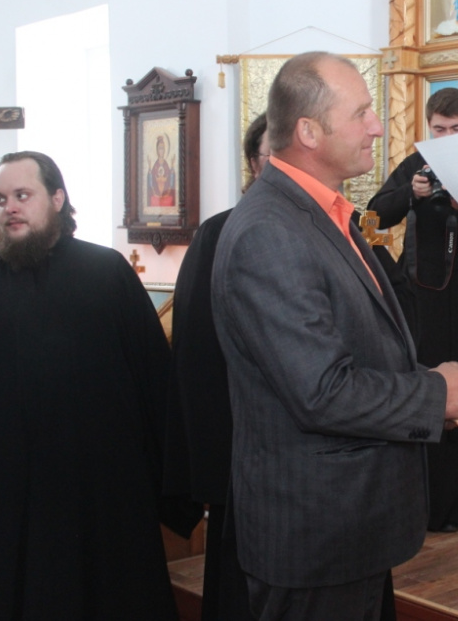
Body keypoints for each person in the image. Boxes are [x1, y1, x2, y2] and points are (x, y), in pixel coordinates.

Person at [211, 52, 458, 620]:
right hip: (316, 534)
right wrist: (436, 395)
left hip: (350, 528)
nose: (377, 126)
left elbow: (364, 347)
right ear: (309, 132)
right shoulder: (271, 232)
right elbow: (322, 390)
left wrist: (429, 382)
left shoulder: (323, 213)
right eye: (361, 113)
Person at [0, 151, 184, 620]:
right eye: (1, 199)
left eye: (22, 195)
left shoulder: (107, 273)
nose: (9, 207)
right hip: (12, 501)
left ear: (57, 198)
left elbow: (156, 387)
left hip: (105, 496)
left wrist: (174, 490)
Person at [368, 87, 458, 533]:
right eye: (439, 130)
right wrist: (411, 195)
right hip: (416, 302)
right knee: (425, 393)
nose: (447, 137)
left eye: (456, 128)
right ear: (428, 127)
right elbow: (373, 216)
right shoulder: (416, 164)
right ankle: (424, 505)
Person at [162, 113, 268, 621]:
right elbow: (198, 357)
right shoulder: (219, 233)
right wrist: (210, 464)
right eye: (274, 153)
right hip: (242, 451)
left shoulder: (340, 227)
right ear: (254, 162)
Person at [148, 134, 177, 206]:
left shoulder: (166, 165)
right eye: (160, 148)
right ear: (157, 150)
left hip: (166, 195)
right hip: (156, 195)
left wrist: (172, 166)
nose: (161, 151)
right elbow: (151, 183)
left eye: (163, 148)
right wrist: (149, 167)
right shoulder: (155, 165)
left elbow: (170, 181)